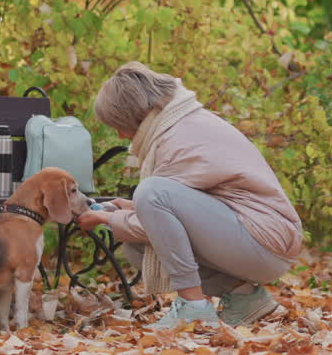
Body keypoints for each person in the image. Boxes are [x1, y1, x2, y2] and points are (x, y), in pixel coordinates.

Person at [78, 61, 303, 328]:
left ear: (132, 115)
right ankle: (245, 298)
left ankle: (193, 306)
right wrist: (128, 209)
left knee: (150, 192)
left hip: (264, 242)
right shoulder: (180, 122)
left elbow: (157, 204)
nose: (120, 134)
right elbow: (179, 211)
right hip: (257, 239)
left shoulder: (178, 139)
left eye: (118, 125)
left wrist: (106, 220)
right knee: (138, 248)